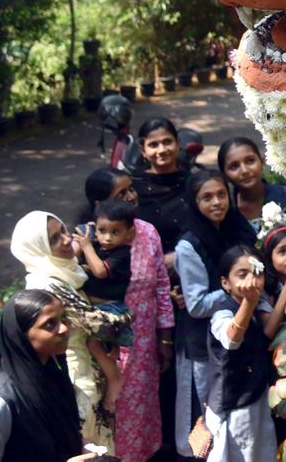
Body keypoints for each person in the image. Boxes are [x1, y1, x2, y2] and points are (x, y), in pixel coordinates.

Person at [77, 167, 176, 462]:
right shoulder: (88, 240)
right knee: (111, 407)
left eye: (131, 189)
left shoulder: (146, 232)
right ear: (100, 206)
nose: (132, 196)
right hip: (104, 341)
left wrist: (165, 339)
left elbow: (160, 285)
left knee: (140, 407)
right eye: (121, 193)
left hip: (143, 342)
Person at [11, 212, 125, 452]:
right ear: (36, 247)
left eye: (63, 231)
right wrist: (131, 310)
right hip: (76, 381)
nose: (65, 240)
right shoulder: (48, 286)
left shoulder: (65, 274)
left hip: (91, 372)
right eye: (53, 238)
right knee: (90, 451)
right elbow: (106, 324)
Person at [173, 172, 256, 459]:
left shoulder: (237, 229)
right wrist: (238, 292)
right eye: (206, 198)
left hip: (246, 337)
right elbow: (196, 305)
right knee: (208, 416)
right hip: (206, 346)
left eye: (221, 194)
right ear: (194, 203)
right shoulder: (189, 246)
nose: (217, 202)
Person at [0, 289, 84, 461]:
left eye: (63, 319)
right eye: (50, 324)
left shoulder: (52, 379)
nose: (63, 329)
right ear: (21, 335)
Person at [204, 245, 276, 462]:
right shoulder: (222, 312)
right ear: (226, 283)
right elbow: (231, 339)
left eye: (256, 273)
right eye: (242, 274)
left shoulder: (260, 306)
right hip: (233, 406)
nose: (251, 280)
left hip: (255, 397)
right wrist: (249, 302)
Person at [217, 137, 286, 257]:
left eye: (250, 161)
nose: (244, 170)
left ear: (262, 162)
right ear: (224, 175)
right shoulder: (225, 211)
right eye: (234, 166)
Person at [131, 118, 192, 254]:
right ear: (143, 151)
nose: (162, 150)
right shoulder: (133, 187)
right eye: (153, 145)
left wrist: (178, 256)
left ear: (178, 143)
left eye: (167, 142)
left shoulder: (193, 184)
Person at [75, 201, 135, 338]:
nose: (107, 238)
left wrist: (86, 247)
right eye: (102, 231)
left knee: (94, 346)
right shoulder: (97, 247)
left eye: (115, 232)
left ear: (129, 233)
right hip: (93, 307)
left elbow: (100, 271)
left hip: (111, 309)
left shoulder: (123, 253)